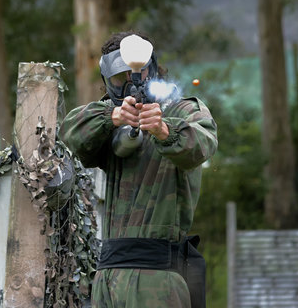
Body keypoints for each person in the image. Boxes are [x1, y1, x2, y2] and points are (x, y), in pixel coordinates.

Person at [60, 32, 218, 308]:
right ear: (107, 81)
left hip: (157, 277)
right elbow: (71, 133)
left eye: (136, 74)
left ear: (152, 70)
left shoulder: (181, 110)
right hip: (108, 277)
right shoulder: (109, 117)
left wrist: (162, 129)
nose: (129, 85)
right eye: (118, 79)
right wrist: (113, 117)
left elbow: (203, 145)